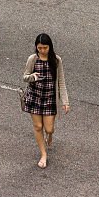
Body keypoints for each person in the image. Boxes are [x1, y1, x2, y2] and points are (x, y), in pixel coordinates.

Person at [21, 33, 70, 169]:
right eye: (39, 48)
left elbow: (61, 82)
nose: (42, 50)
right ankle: (43, 154)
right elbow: (24, 77)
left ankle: (50, 135)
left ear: (50, 47)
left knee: (49, 128)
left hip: (49, 100)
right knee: (38, 127)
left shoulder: (56, 60)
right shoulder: (32, 59)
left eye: (45, 47)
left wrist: (65, 102)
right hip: (34, 98)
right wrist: (32, 77)